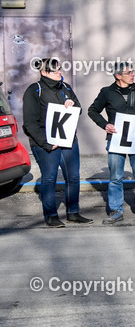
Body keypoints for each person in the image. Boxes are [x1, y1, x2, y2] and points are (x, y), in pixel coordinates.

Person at [22, 58, 93, 227]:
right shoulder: (34, 90)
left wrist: (72, 104)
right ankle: (51, 215)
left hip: (68, 140)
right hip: (46, 142)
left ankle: (73, 213)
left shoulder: (66, 87)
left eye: (59, 69)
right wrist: (45, 143)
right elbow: (29, 124)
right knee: (49, 178)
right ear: (44, 72)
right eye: (55, 70)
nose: (59, 72)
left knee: (73, 177)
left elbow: (79, 109)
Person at [87, 62, 135, 225]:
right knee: (115, 177)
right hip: (116, 140)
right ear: (118, 76)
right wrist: (105, 125)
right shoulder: (107, 92)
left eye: (133, 71)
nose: (133, 74)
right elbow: (93, 110)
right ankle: (116, 210)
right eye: (129, 72)